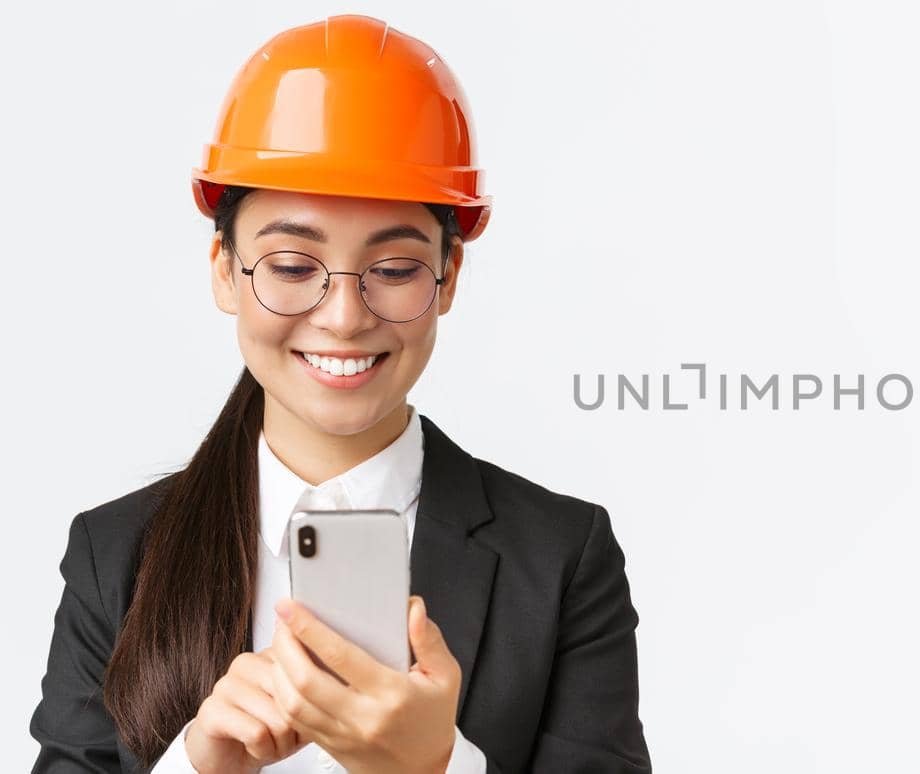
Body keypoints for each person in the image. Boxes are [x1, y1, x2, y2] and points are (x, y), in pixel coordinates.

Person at [28, 14, 651, 774]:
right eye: (292, 266)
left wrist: (441, 766)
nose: (346, 317)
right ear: (225, 269)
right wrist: (195, 767)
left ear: (448, 278)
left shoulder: (557, 558)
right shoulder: (115, 555)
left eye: (393, 270)